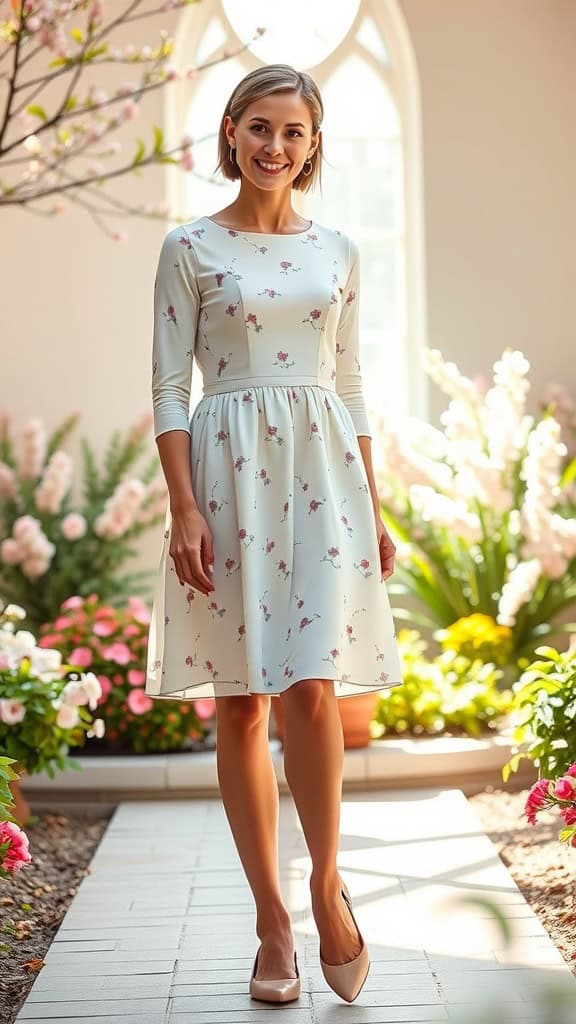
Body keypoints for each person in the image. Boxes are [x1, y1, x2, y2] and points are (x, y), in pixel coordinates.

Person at [145, 63, 404, 1004]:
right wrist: (183, 504)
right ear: (231, 130)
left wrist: (373, 505)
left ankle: (326, 886)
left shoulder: (339, 248)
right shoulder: (189, 245)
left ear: (313, 145)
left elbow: (352, 379)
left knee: (314, 684)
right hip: (225, 474)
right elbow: (171, 385)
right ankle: (272, 924)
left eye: (293, 133)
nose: (275, 147)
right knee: (243, 702)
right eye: (260, 127)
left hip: (322, 474)